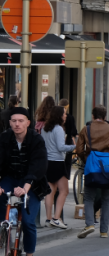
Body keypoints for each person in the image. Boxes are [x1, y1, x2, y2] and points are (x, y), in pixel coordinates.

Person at [0, 108, 48, 255]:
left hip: (31, 182)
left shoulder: (36, 139)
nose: (17, 124)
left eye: (21, 121)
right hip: (10, 177)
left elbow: (38, 166)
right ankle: (4, 232)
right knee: (1, 208)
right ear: (9, 123)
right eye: (14, 121)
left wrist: (25, 188)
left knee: (28, 222)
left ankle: (29, 253)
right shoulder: (4, 138)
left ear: (28, 123)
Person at [74, 106, 109, 239]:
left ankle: (89, 224)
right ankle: (104, 231)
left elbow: (78, 149)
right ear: (105, 117)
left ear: (93, 116)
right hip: (107, 167)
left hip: (92, 167)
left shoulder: (86, 129)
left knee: (89, 197)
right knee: (107, 199)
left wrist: (87, 159)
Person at [42, 106, 74, 229]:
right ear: (59, 115)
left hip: (48, 162)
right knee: (64, 191)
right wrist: (73, 147)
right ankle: (56, 218)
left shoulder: (45, 128)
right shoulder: (59, 129)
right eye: (64, 114)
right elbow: (61, 147)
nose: (65, 116)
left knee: (50, 191)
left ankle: (48, 218)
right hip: (58, 162)